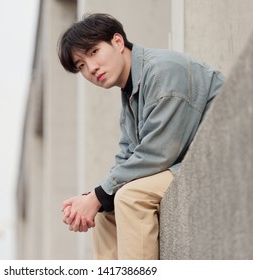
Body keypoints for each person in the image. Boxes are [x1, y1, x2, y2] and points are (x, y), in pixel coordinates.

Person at [57, 13, 226, 260]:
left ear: (117, 42)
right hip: (187, 165)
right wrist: (95, 199)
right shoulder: (130, 94)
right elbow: (127, 157)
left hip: (221, 158)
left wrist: (98, 195)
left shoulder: (162, 71)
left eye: (93, 52)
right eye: (81, 65)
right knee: (106, 213)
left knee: (130, 197)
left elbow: (158, 153)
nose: (91, 68)